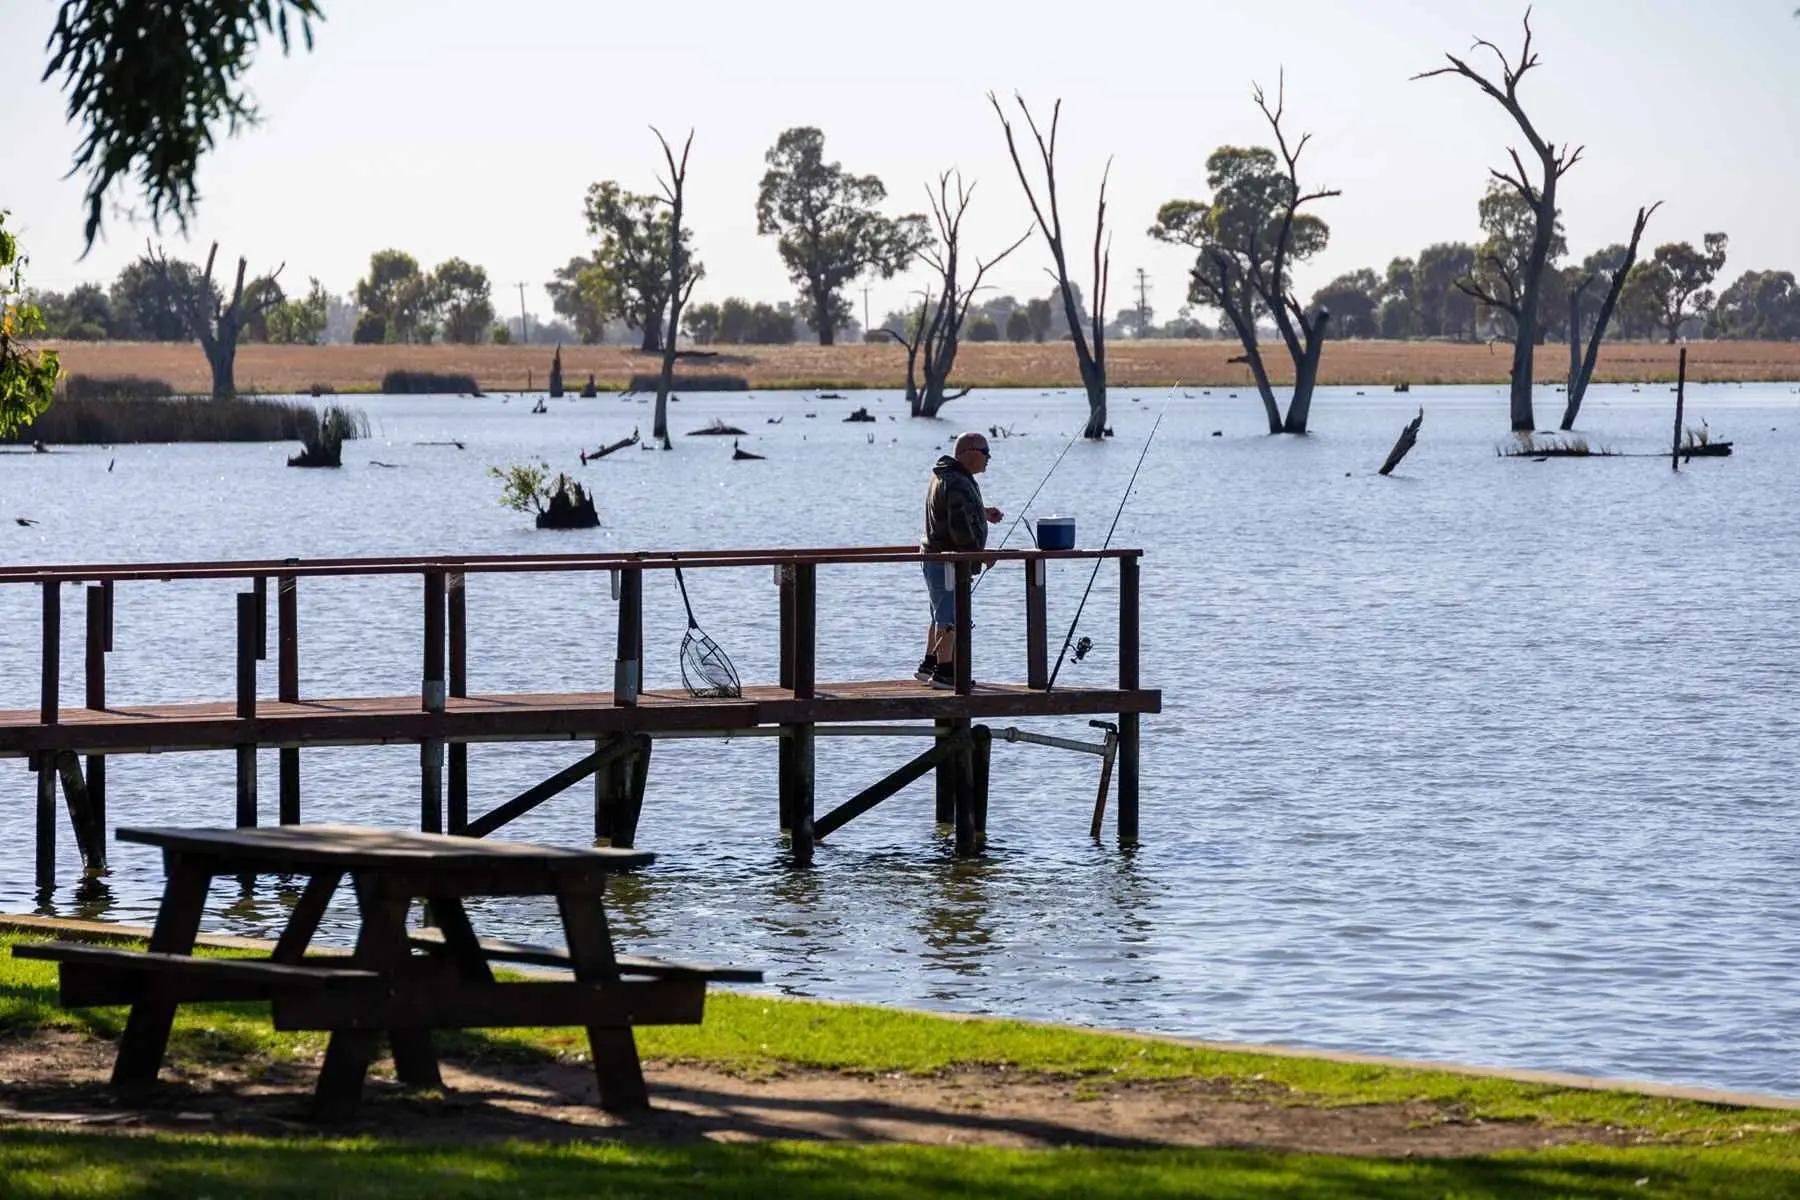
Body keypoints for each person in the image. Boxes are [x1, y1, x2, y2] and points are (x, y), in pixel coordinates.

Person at [918, 432, 1002, 689]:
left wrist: (982, 512)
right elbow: (958, 527)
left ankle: (929, 664)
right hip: (948, 559)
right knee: (949, 616)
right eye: (985, 452)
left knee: (939, 612)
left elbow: (954, 511)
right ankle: (945, 673)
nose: (989, 457)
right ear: (969, 452)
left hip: (936, 556)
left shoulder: (949, 476)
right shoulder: (956, 482)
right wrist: (976, 554)